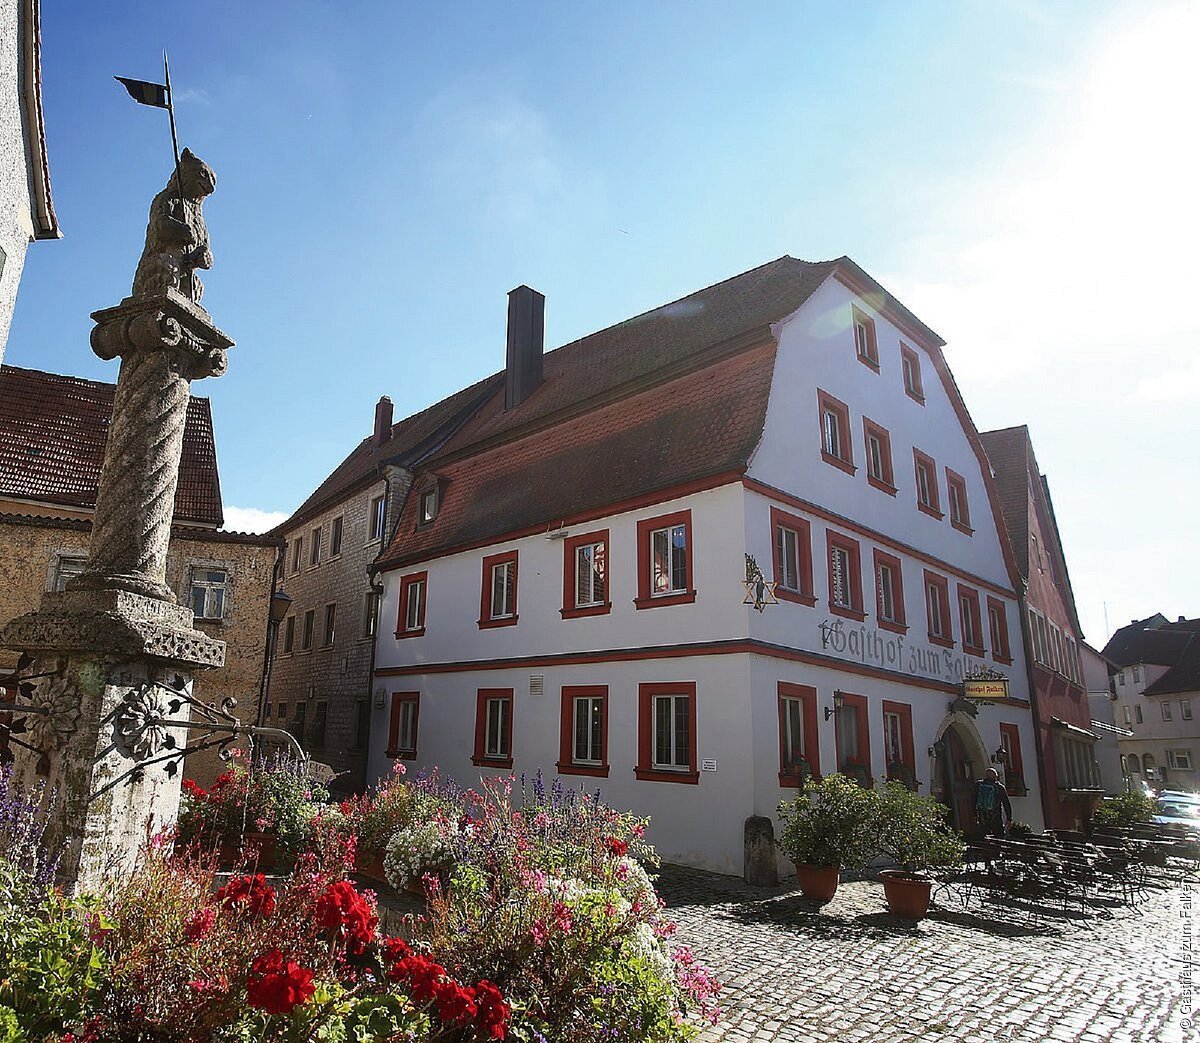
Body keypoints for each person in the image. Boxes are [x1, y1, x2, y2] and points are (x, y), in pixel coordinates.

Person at [974, 767, 1012, 837]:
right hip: (996, 816)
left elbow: (973, 800)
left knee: (984, 836)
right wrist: (1009, 818)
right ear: (995, 776)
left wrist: (974, 815)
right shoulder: (999, 787)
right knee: (999, 836)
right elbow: (1006, 803)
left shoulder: (978, 785)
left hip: (982, 816)